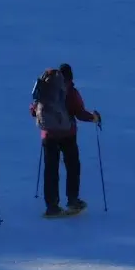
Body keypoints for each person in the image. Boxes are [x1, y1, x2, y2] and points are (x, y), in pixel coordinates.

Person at [40, 63, 101, 217]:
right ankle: (73, 201)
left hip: (48, 135)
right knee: (72, 167)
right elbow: (79, 112)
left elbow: (34, 110)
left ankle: (52, 206)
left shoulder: (45, 89)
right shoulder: (71, 92)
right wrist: (92, 117)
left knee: (50, 170)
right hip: (67, 134)